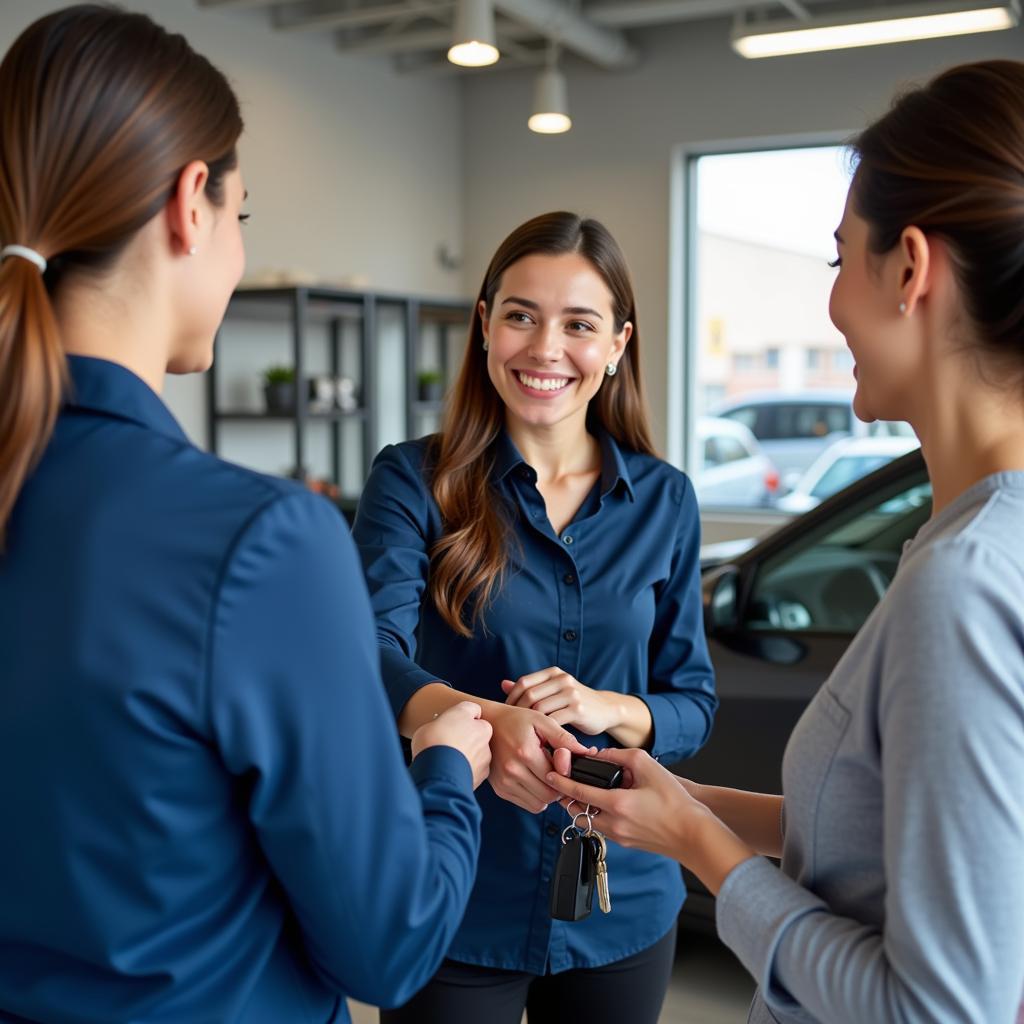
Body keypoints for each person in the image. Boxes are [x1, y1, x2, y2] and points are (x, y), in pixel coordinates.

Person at [0, 7, 492, 1023]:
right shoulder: (258, 540)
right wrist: (448, 765)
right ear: (192, 204)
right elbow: (389, 944)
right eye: (243, 216)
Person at [545, 60, 1024, 1024]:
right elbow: (899, 848)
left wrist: (704, 850)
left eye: (841, 258)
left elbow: (939, 1009)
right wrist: (680, 807)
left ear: (912, 269)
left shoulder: (966, 583)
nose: (834, 301)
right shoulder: (970, 542)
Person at [352, 211, 717, 1024]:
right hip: (455, 892)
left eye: (579, 325)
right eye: (521, 315)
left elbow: (691, 703)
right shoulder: (413, 482)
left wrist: (607, 708)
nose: (546, 349)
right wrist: (488, 719)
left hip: (624, 899)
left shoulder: (666, 500)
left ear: (617, 345)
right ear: (485, 326)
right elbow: (363, 658)